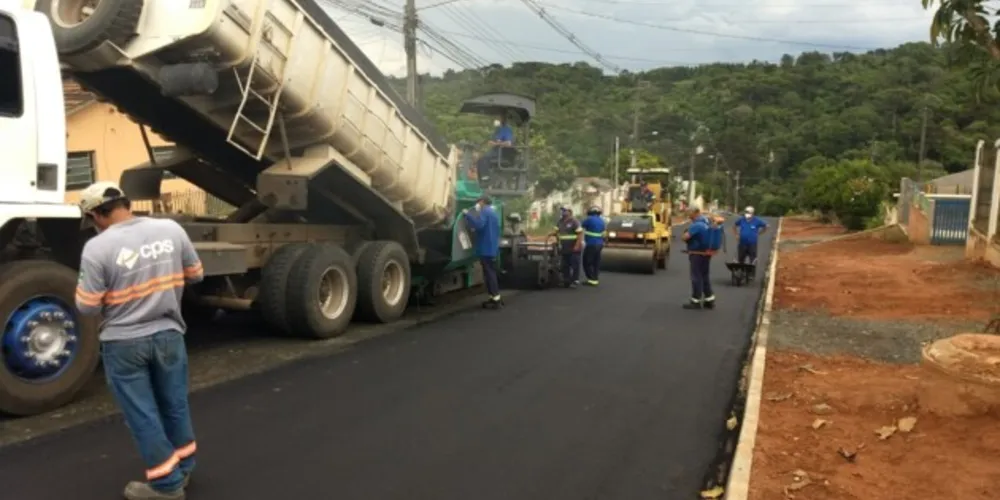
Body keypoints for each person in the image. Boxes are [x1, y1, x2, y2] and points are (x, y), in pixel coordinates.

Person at [74, 181, 204, 500]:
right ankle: (184, 467)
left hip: (124, 343)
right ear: (126, 204)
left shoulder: (97, 248)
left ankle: (167, 486)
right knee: (174, 404)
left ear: (95, 215)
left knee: (143, 414)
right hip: (169, 335)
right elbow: (196, 274)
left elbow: (87, 306)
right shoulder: (171, 229)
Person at [463, 195, 502, 307]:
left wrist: (467, 215)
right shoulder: (494, 213)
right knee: (491, 273)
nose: (477, 204)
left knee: (489, 274)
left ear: (482, 202)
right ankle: (494, 298)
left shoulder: (485, 211)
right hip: (492, 248)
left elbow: (479, 225)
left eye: (478, 202)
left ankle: (495, 300)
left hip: (486, 249)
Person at [681, 207, 715, 310]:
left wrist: (684, 234)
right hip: (706, 253)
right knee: (704, 276)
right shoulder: (706, 222)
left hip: (697, 254)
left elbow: (685, 237)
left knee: (696, 277)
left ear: (695, 213)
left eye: (689, 213)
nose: (688, 215)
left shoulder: (696, 225)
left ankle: (695, 301)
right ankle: (709, 300)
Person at [475, 115, 514, 183]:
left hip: (502, 153)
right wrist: (491, 143)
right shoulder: (498, 130)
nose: (496, 119)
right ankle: (480, 180)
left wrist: (496, 144)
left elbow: (509, 143)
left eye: (498, 117)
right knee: (479, 159)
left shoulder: (506, 129)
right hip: (495, 151)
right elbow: (493, 141)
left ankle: (486, 179)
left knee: (484, 159)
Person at [553, 207, 583, 288]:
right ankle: (566, 280)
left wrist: (577, 245)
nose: (563, 212)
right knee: (565, 265)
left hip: (574, 247)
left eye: (565, 210)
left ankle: (575, 280)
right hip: (564, 248)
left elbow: (580, 234)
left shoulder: (574, 221)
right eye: (562, 211)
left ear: (570, 212)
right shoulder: (560, 221)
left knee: (574, 264)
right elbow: (555, 232)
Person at [580, 205, 606, 286]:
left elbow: (580, 227)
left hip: (591, 244)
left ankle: (591, 279)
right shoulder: (602, 221)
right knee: (596, 262)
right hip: (599, 244)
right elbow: (603, 233)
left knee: (586, 262)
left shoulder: (589, 219)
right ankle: (595, 279)